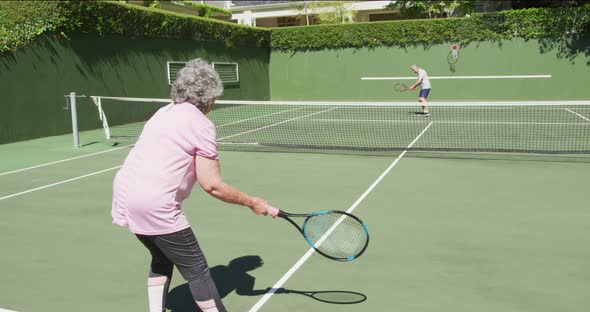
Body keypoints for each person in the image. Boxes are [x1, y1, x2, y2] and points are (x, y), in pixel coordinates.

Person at [111, 58, 275, 312]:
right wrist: (253, 202)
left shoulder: (163, 111)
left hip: (125, 195)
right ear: (208, 98)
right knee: (198, 272)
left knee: (161, 257)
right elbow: (212, 185)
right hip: (155, 203)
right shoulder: (201, 125)